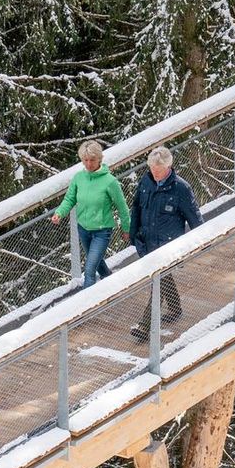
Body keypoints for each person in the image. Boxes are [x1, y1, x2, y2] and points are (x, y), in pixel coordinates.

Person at [128, 146, 202, 342]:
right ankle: (175, 308)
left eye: (158, 170)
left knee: (158, 280)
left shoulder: (181, 188)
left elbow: (194, 217)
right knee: (162, 277)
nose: (155, 173)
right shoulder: (145, 182)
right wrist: (132, 233)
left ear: (169, 167)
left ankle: (145, 326)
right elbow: (136, 208)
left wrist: (201, 240)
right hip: (147, 242)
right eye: (152, 169)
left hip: (169, 246)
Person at [51, 140, 129, 289]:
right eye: (85, 160)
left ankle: (86, 305)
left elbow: (122, 207)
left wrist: (127, 229)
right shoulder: (78, 178)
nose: (88, 164)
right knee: (97, 262)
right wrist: (59, 213)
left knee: (89, 269)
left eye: (92, 160)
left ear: (100, 159)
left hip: (102, 230)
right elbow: (70, 199)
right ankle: (112, 282)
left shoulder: (109, 181)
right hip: (84, 229)